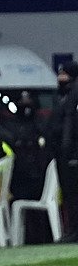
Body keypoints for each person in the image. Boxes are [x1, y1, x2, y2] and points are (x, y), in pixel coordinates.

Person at [48, 61, 78, 241]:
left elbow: (71, 124)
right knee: (68, 194)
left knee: (73, 193)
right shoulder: (63, 96)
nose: (60, 78)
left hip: (72, 152)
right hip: (63, 152)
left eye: (64, 74)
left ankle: (74, 231)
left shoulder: (74, 96)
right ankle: (72, 230)